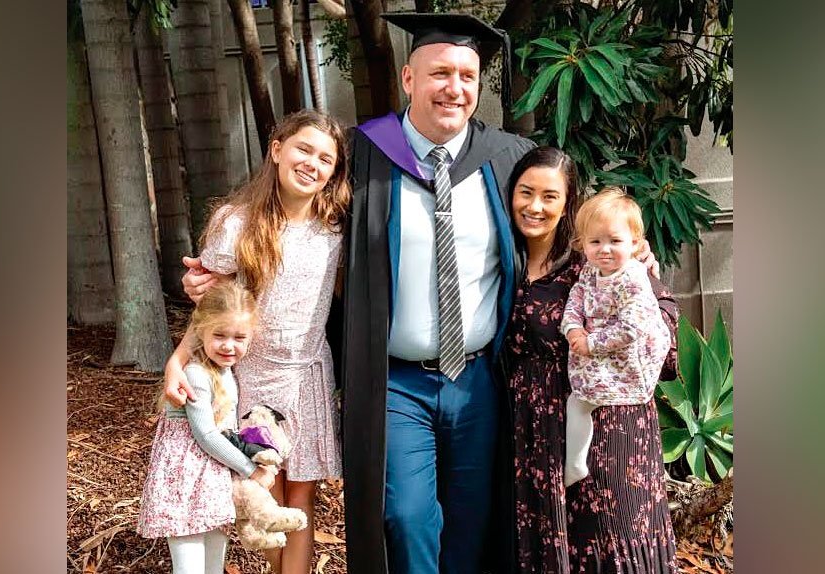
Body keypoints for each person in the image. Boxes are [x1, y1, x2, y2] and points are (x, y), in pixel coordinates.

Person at [340, 12, 536, 574]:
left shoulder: (508, 158)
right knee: (406, 517)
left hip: (479, 378)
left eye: (467, 77)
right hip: (397, 382)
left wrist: (635, 262)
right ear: (408, 79)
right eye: (440, 73)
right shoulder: (363, 155)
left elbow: (568, 232)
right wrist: (228, 267)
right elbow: (292, 224)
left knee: (475, 519)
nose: (455, 89)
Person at [163, 109, 351, 574]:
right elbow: (213, 308)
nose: (312, 163)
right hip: (250, 376)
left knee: (302, 490)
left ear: (334, 172)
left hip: (308, 370)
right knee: (261, 489)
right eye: (303, 149)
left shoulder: (335, 228)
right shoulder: (237, 223)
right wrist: (177, 360)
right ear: (277, 149)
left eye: (326, 158)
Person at [505, 147, 679, 573]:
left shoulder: (597, 259)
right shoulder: (498, 256)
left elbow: (664, 314)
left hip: (605, 417)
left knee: (612, 535)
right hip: (533, 429)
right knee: (557, 541)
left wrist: (607, 344)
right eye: (526, 193)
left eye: (550, 196)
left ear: (568, 204)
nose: (535, 206)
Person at [137, 281, 275, 574]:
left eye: (239, 337)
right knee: (189, 568)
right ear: (201, 332)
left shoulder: (226, 372)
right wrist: (251, 470)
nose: (229, 345)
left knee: (213, 565)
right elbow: (206, 435)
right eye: (220, 335)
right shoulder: (196, 374)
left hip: (212, 481)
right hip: (185, 482)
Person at [560, 187, 672, 487]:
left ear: (635, 243)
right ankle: (576, 463)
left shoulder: (633, 277)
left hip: (628, 359)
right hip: (599, 354)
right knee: (577, 401)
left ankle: (574, 464)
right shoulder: (589, 272)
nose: (604, 249)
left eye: (615, 241)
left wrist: (591, 343)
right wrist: (572, 328)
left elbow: (632, 327)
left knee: (579, 402)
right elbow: (575, 300)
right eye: (595, 241)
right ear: (582, 243)